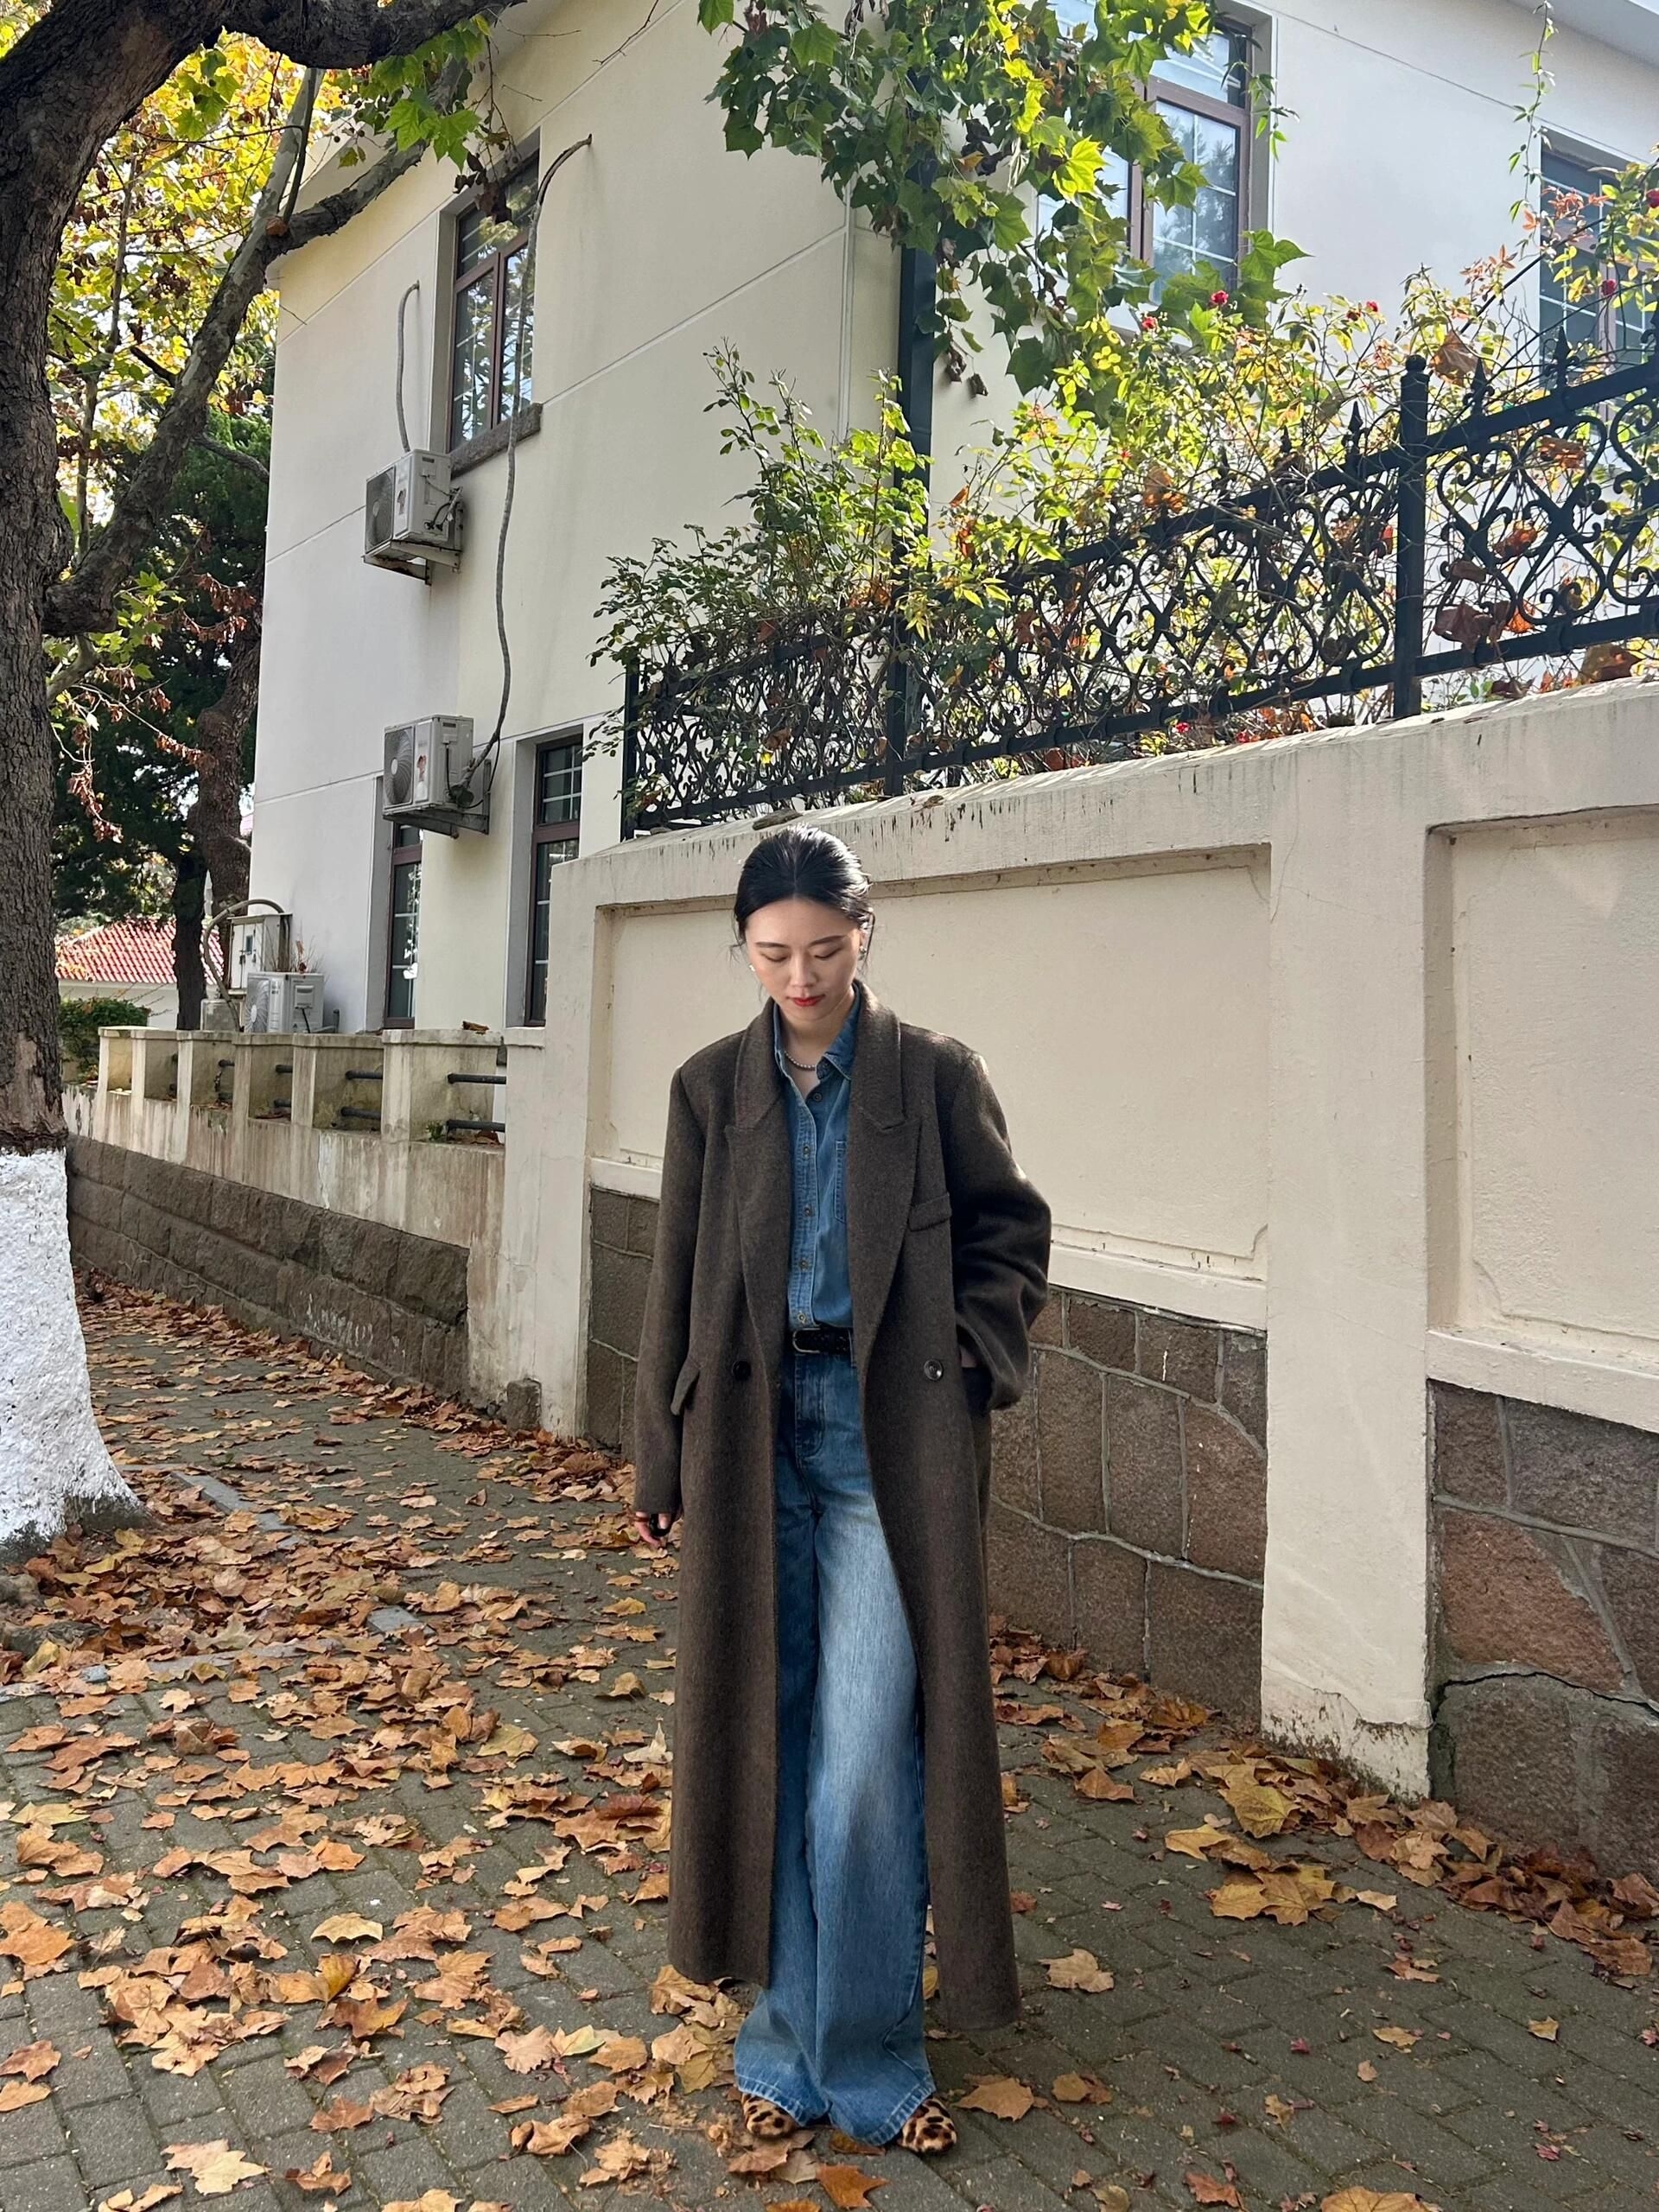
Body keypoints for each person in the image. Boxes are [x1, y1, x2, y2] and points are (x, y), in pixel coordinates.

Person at [630, 823, 1051, 2156]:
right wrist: (658, 1455)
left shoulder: (934, 1076)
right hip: (749, 1442)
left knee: (864, 1758)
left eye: (824, 949)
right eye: (773, 955)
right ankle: (785, 2039)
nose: (801, 978)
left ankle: (868, 2058)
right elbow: (673, 1278)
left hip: (887, 1447)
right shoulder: (709, 1090)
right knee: (772, 1738)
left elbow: (1011, 1231)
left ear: (864, 935)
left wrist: (970, 1358)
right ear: (745, 950)